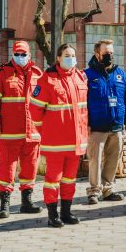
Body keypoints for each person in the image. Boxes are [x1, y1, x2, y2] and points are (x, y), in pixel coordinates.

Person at [29, 44, 89, 228]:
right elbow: (34, 109)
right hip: (55, 143)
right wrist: (45, 131)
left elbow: (83, 110)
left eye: (73, 55)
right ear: (58, 58)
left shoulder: (80, 77)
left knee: (70, 179)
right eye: (66, 55)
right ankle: (52, 214)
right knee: (52, 180)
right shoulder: (47, 79)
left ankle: (66, 212)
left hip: (76, 142)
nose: (71, 58)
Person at [0, 40, 44, 218]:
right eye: (17, 54)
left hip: (32, 132)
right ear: (12, 54)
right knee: (6, 170)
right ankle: (5, 204)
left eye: (23, 54)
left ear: (29, 55)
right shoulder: (2, 74)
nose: (20, 57)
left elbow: (44, 104)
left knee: (30, 168)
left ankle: (27, 202)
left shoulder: (37, 74)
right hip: (9, 133)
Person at [84, 39, 126, 205]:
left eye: (111, 53)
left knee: (113, 159)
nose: (110, 56)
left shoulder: (121, 74)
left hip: (116, 125)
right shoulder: (87, 75)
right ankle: (94, 191)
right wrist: (86, 123)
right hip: (96, 127)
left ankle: (108, 189)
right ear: (97, 54)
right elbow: (82, 102)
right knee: (95, 160)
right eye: (106, 53)